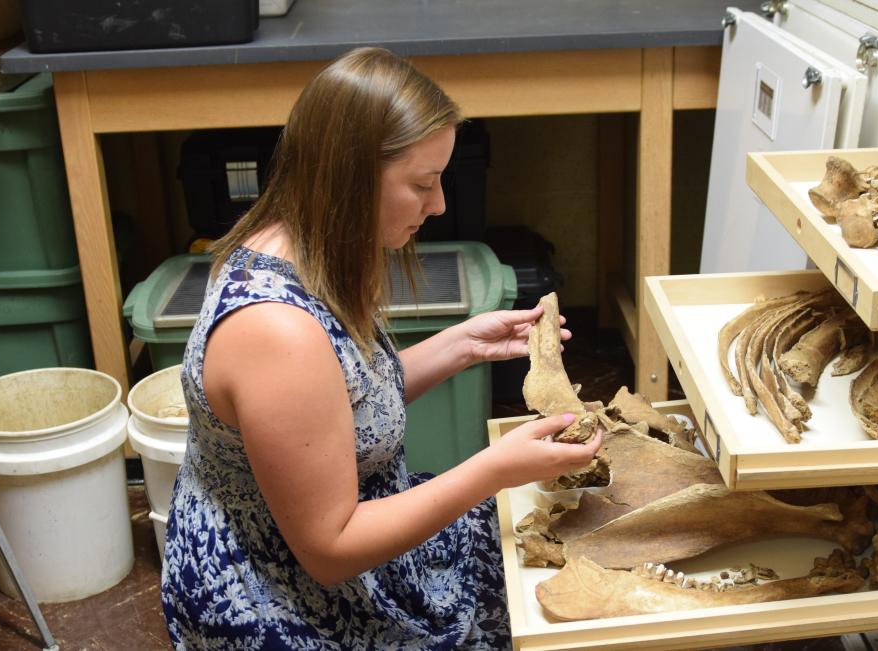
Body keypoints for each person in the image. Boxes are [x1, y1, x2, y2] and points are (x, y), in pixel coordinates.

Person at [160, 47, 603, 649]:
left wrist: (462, 345)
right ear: (347, 179)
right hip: (282, 596)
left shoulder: (310, 250)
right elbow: (330, 549)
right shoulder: (276, 330)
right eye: (422, 183)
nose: (440, 204)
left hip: (336, 538)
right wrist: (496, 468)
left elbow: (344, 398)